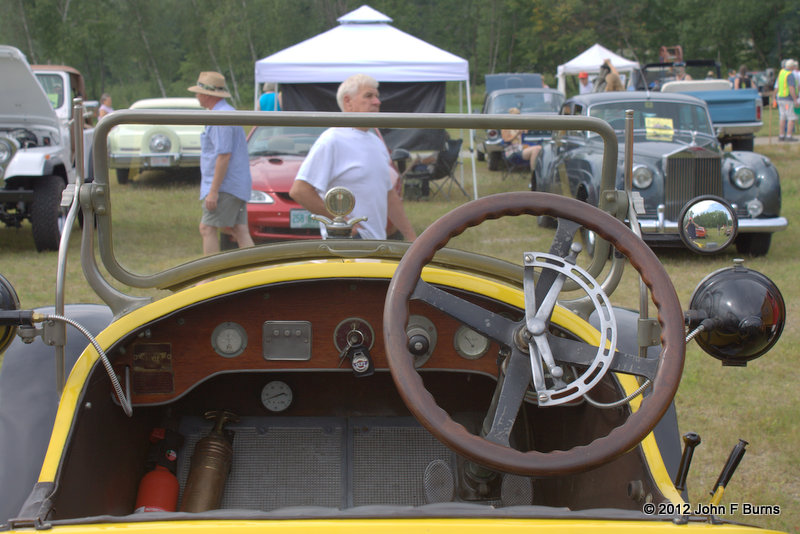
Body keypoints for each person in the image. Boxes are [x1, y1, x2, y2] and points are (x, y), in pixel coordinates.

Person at [289, 74, 416, 241]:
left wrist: (412, 237)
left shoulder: (376, 142)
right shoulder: (332, 139)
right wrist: (342, 223)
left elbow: (389, 195)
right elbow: (300, 191)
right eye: (369, 96)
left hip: (375, 244)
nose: (377, 102)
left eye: (377, 96)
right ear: (348, 102)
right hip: (347, 245)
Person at [188, 71, 255, 254]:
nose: (196, 96)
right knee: (239, 230)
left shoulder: (220, 117)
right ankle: (257, 275)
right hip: (235, 185)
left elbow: (224, 155)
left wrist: (213, 192)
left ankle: (209, 278)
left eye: (198, 92)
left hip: (225, 186)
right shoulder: (226, 113)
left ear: (207, 94)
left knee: (207, 228)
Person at [776, 59, 798, 141]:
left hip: (780, 97)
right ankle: (789, 136)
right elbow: (791, 88)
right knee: (791, 117)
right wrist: (795, 99)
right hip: (788, 99)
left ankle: (781, 135)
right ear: (792, 66)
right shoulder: (790, 75)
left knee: (782, 117)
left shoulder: (781, 72)